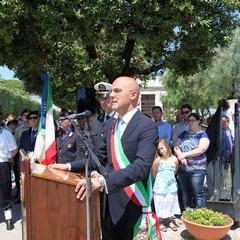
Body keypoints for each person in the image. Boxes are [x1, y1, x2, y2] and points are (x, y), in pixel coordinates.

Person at [74, 76, 159, 240]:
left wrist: (102, 181)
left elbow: (141, 167)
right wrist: (68, 166)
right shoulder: (111, 125)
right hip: (108, 206)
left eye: (117, 91)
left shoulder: (146, 126)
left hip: (133, 206)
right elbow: (98, 158)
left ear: (133, 95)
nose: (111, 95)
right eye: (111, 91)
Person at [174, 113, 210, 210]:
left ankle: (200, 213)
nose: (190, 123)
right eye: (189, 121)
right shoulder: (184, 134)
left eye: (193, 120)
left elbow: (201, 149)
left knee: (198, 193)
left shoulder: (202, 134)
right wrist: (180, 156)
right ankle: (187, 212)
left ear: (198, 121)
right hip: (183, 169)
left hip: (197, 169)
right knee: (185, 192)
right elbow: (176, 146)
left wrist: (184, 155)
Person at [152, 139, 180, 232]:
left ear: (167, 147)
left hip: (171, 186)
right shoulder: (158, 160)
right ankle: (160, 221)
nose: (161, 151)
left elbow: (175, 170)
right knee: (161, 203)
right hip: (160, 186)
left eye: (162, 148)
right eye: (159, 149)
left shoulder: (174, 159)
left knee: (171, 202)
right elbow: (154, 173)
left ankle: (171, 220)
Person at [0, 123, 18, 230]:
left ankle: (9, 219)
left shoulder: (6, 134)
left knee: (4, 190)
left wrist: (10, 158)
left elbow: (14, 149)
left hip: (2, 164)